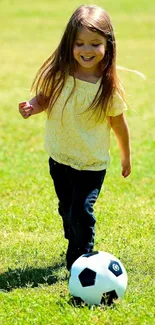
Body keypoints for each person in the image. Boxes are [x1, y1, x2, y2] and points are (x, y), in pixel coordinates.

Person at [19, 5, 131, 271]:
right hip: (60, 157)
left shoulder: (108, 88)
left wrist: (126, 156)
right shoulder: (59, 76)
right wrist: (33, 106)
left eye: (95, 43)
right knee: (67, 210)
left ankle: (80, 264)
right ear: (69, 43)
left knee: (82, 213)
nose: (86, 50)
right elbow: (44, 98)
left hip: (91, 164)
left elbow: (119, 124)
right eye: (79, 43)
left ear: (108, 44)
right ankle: (74, 239)